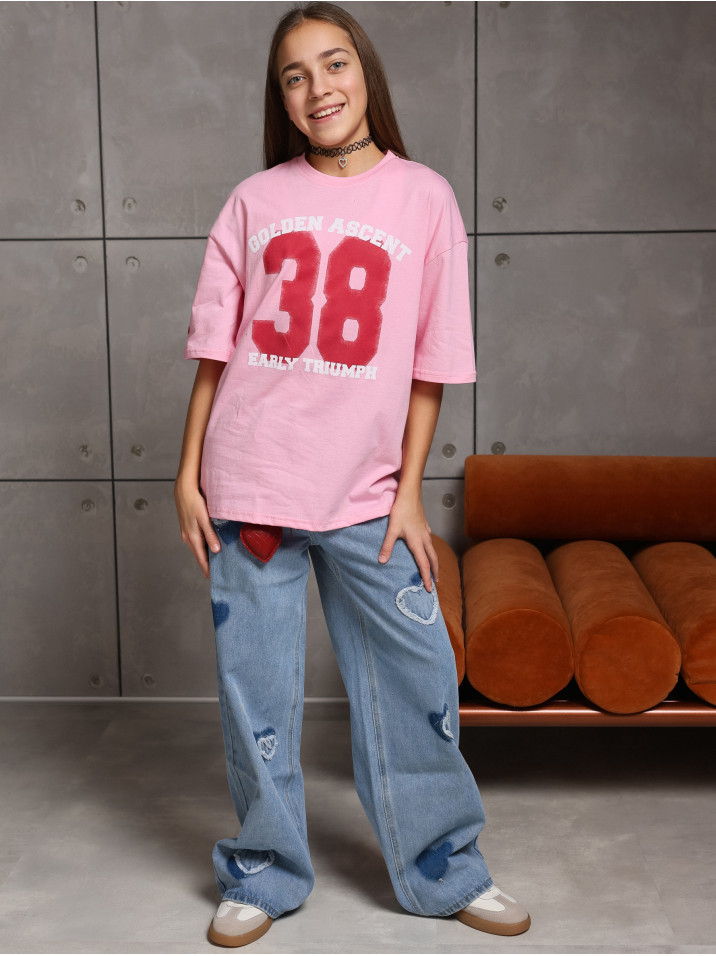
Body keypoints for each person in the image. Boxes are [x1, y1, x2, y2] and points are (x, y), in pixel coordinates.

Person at [175, 2, 530, 947]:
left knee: (417, 679)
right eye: (295, 76)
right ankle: (264, 870)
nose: (318, 87)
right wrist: (187, 471)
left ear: (364, 72)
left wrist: (410, 492)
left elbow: (430, 364)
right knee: (254, 692)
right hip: (250, 483)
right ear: (282, 99)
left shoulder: (425, 198)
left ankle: (445, 868)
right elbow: (215, 351)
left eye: (334, 64)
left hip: (368, 495)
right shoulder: (254, 201)